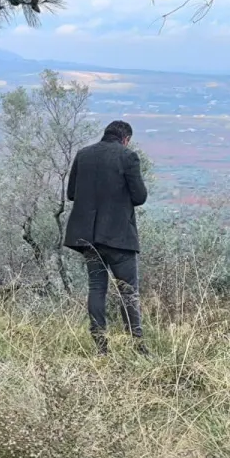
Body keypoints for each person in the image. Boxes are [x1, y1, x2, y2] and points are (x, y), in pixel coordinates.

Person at [64, 120, 149, 354]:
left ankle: (101, 346)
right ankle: (137, 345)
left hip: (89, 238)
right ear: (126, 139)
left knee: (97, 288)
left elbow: (71, 194)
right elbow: (140, 197)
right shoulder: (128, 157)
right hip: (119, 237)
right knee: (128, 291)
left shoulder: (83, 155)